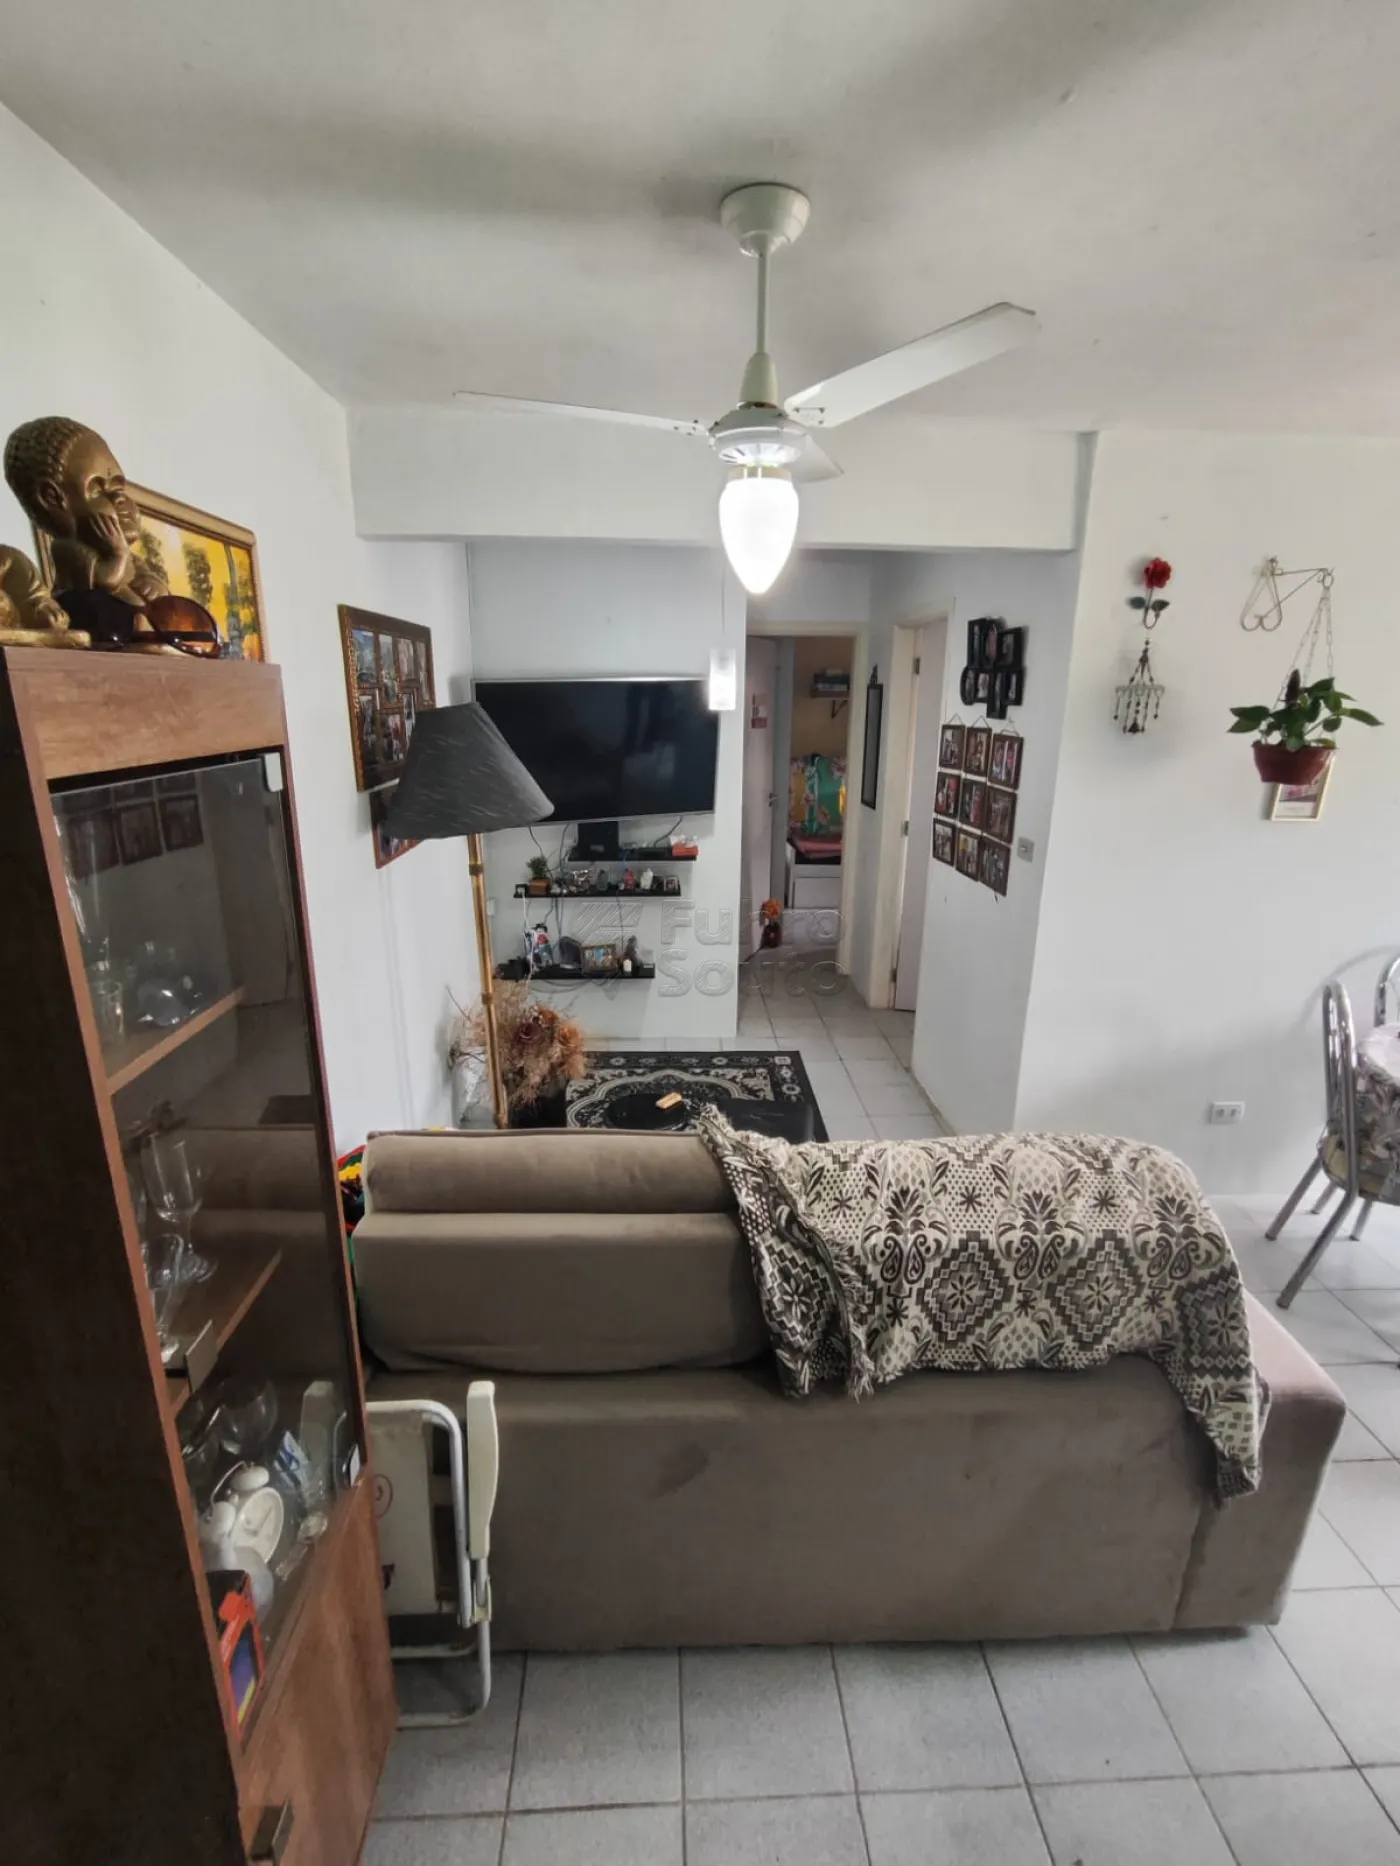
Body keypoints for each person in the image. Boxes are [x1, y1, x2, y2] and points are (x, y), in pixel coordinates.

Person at [4, 418, 167, 637]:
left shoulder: (132, 557)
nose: (118, 499)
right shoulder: (68, 551)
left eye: (118, 487)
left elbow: (141, 570)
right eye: (97, 490)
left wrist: (153, 582)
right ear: (52, 498)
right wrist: (118, 553)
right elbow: (104, 581)